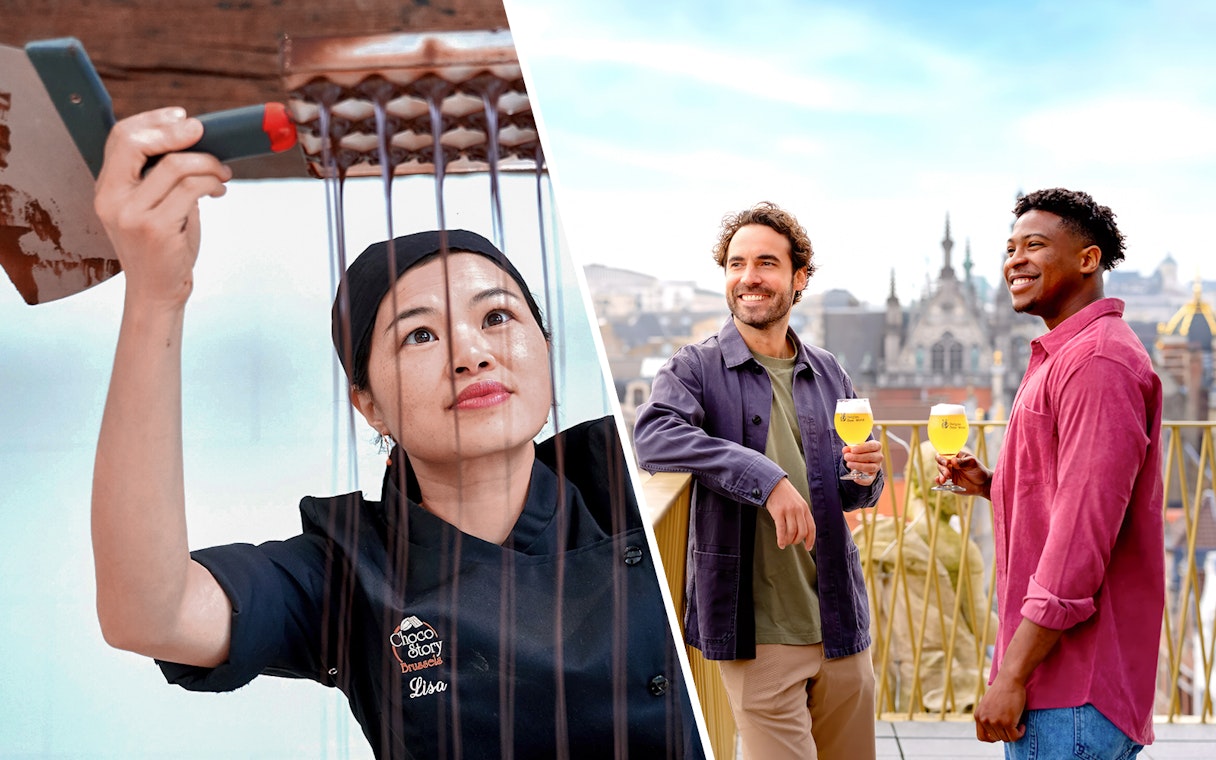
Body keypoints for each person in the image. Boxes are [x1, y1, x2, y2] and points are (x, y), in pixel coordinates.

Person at [90, 107, 704, 759]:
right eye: (419, 334)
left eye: (497, 316)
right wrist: (157, 295)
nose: (471, 354)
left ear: (547, 355)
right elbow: (150, 614)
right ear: (369, 406)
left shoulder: (635, 470)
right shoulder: (351, 572)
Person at [634, 201, 884, 759]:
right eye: (737, 263)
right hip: (759, 633)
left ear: (798, 279)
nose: (749, 277)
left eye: (766, 263)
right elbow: (653, 438)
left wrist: (865, 474)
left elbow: (849, 487)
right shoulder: (693, 368)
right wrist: (763, 477)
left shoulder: (828, 371)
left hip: (841, 621)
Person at [937, 188, 1163, 759]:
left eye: (1034, 245)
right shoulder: (1070, 352)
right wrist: (994, 485)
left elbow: (1078, 545)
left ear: (1088, 259)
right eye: (1010, 247)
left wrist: (1011, 676)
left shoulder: (1096, 363)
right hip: (1065, 684)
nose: (1015, 259)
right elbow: (1074, 491)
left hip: (1070, 686)